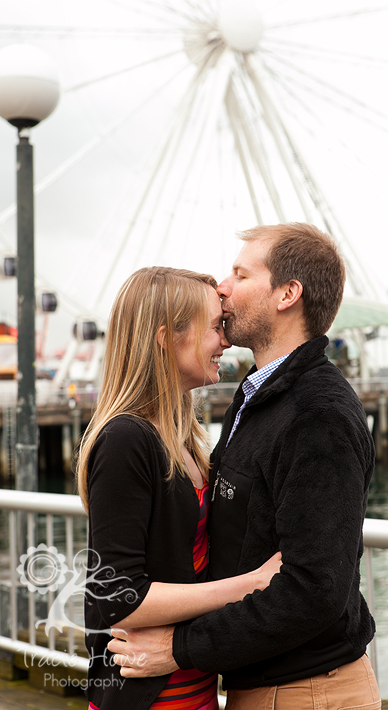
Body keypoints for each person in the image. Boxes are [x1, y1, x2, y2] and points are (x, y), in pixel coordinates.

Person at [107, 223, 381, 710]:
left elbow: (315, 588)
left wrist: (179, 648)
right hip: (263, 683)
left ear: (287, 294)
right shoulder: (261, 394)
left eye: (240, 274)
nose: (221, 287)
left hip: (304, 690)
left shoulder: (318, 413)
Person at [77, 267, 283, 709]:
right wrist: (253, 583)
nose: (225, 341)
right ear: (167, 337)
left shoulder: (183, 437)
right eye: (214, 327)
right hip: (148, 696)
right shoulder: (126, 440)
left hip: (192, 687)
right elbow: (116, 598)